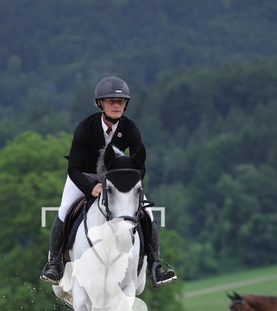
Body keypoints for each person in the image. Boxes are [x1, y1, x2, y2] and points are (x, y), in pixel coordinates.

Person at [40, 76, 176, 288]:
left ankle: (156, 264)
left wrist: (129, 186)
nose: (116, 105)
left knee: (147, 213)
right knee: (65, 210)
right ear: (100, 103)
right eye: (111, 101)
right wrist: (90, 188)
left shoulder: (130, 128)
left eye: (120, 102)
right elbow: (73, 168)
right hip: (84, 177)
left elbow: (140, 165)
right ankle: (55, 264)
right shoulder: (85, 127)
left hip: (118, 181)